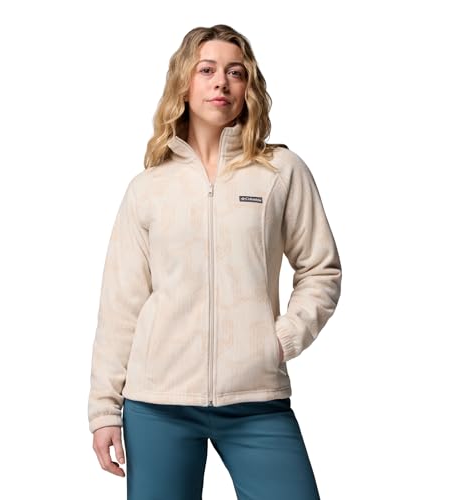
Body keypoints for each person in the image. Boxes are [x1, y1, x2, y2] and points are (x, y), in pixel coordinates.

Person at [88, 24, 342, 500]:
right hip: (157, 402)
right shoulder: (148, 188)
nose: (221, 82)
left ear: (248, 88)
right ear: (184, 83)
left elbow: (320, 269)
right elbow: (121, 304)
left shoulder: (280, 172)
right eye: (206, 70)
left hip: (256, 399)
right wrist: (104, 410)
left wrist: (282, 338)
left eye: (235, 72)